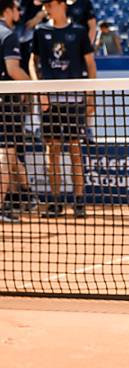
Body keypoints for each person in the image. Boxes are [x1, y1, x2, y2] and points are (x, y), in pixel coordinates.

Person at [29, 0, 96, 219]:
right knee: (52, 152)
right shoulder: (41, 31)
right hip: (50, 102)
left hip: (74, 101)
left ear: (61, 4)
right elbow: (33, 62)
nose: (46, 8)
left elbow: (90, 64)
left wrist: (90, 96)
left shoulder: (78, 31)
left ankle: (79, 202)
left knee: (75, 151)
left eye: (50, 4)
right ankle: (55, 202)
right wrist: (39, 90)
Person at [0, 0, 29, 223]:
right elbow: (13, 69)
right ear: (7, 11)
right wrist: (36, 89)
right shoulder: (8, 35)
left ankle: (26, 195)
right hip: (6, 102)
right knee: (6, 153)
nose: (18, 12)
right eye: (16, 8)